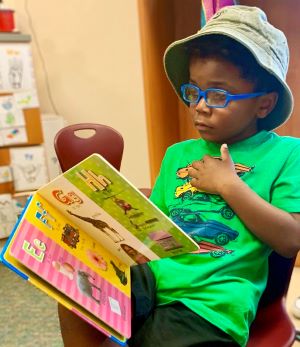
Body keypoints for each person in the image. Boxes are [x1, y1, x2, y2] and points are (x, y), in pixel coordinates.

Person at [58, 5, 300, 347]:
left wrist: (229, 185)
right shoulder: (178, 155)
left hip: (209, 300)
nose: (200, 106)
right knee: (73, 288)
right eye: (193, 91)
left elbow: (291, 238)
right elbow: (154, 229)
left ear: (264, 103)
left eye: (218, 95)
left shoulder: (287, 154)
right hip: (152, 279)